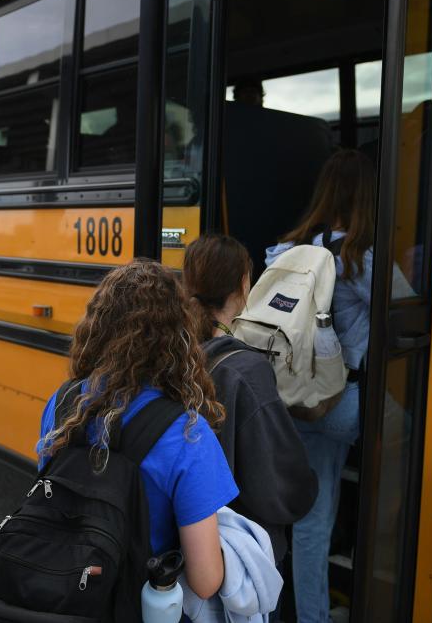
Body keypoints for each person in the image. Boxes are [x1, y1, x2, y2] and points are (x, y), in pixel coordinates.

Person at [36, 259, 239, 601]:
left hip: (64, 593)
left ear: (97, 325)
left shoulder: (63, 402)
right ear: (179, 337)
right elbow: (206, 581)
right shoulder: (187, 433)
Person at [265, 149, 376, 623]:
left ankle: (304, 613)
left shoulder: (283, 252)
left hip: (293, 396)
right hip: (343, 401)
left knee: (309, 518)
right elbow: (415, 305)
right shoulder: (360, 258)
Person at [183, 234, 317, 565]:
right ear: (244, 284)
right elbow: (279, 482)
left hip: (187, 538)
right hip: (238, 552)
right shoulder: (246, 370)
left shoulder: (173, 352)